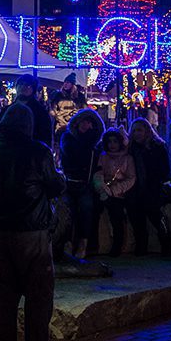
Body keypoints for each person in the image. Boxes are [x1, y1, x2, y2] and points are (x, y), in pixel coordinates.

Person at [0, 102, 65, 341]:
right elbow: (55, 186)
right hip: (33, 234)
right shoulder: (39, 152)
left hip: (0, 234)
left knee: (2, 301)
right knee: (38, 301)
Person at [127, 118, 171, 256]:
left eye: (139, 130)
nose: (137, 134)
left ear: (147, 131)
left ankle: (166, 243)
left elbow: (164, 171)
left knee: (155, 213)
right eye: (134, 131)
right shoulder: (132, 148)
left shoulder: (157, 147)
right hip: (137, 187)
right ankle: (141, 244)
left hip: (154, 187)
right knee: (136, 215)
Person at [60, 109, 104, 259]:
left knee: (86, 208)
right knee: (68, 211)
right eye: (84, 121)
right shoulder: (68, 138)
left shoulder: (95, 142)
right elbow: (72, 155)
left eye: (90, 122)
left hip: (86, 183)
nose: (87, 124)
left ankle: (83, 243)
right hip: (70, 182)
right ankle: (67, 243)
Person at [95, 128, 137, 257]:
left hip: (120, 192)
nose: (112, 145)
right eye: (109, 142)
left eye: (115, 142)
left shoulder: (127, 159)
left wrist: (114, 190)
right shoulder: (103, 157)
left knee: (116, 214)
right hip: (103, 189)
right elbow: (98, 174)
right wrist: (102, 188)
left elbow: (131, 178)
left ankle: (117, 245)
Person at [13, 74, 55, 147]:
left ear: (33, 89)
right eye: (21, 84)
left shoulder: (40, 111)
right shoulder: (9, 109)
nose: (23, 87)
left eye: (28, 85)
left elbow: (45, 135)